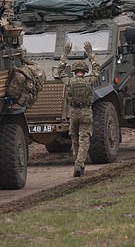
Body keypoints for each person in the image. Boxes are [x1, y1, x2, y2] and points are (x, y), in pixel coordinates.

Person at [56, 41, 99, 177]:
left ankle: (77, 162)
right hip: (86, 112)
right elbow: (97, 69)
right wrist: (90, 53)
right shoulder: (89, 81)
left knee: (74, 140)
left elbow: (59, 71)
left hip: (73, 113)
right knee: (84, 139)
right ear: (85, 71)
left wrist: (65, 54)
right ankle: (79, 164)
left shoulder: (69, 81)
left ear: (74, 71)